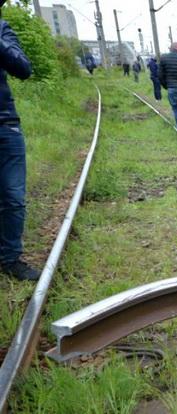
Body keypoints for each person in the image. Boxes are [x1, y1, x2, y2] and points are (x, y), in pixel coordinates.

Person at [0, 13, 39, 280]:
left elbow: (23, 68)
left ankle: (10, 258)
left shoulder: (2, 28)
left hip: (4, 123)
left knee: (13, 196)